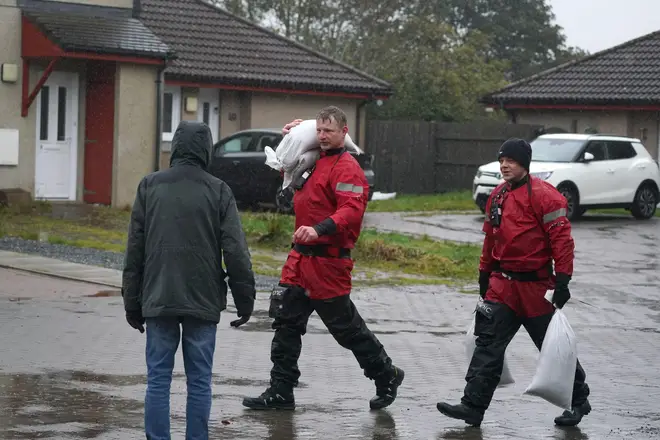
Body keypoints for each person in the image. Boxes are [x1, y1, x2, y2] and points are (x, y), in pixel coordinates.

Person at [241, 106, 404, 411]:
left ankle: (387, 374)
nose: (322, 136)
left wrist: (319, 230)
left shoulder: (346, 167)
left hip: (328, 264)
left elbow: (351, 210)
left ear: (344, 132)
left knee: (346, 330)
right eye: (319, 130)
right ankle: (281, 391)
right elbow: (287, 171)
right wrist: (288, 139)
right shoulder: (312, 162)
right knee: (285, 324)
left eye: (328, 130)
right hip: (299, 261)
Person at [436, 138, 591, 427]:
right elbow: (491, 239)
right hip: (503, 287)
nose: (505, 165)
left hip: (536, 289)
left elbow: (562, 242)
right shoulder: (497, 196)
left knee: (553, 348)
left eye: (511, 160)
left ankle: (579, 401)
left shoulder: (547, 197)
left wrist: (563, 281)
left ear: (525, 163)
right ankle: (472, 406)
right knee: (487, 345)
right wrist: (484, 275)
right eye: (502, 160)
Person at [122, 120, 256, 440]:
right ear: (206, 149)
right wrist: (245, 301)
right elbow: (236, 252)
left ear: (176, 148)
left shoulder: (149, 186)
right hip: (203, 297)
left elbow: (135, 251)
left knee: (158, 380)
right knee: (199, 381)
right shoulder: (218, 190)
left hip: (158, 295)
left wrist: (132, 303)